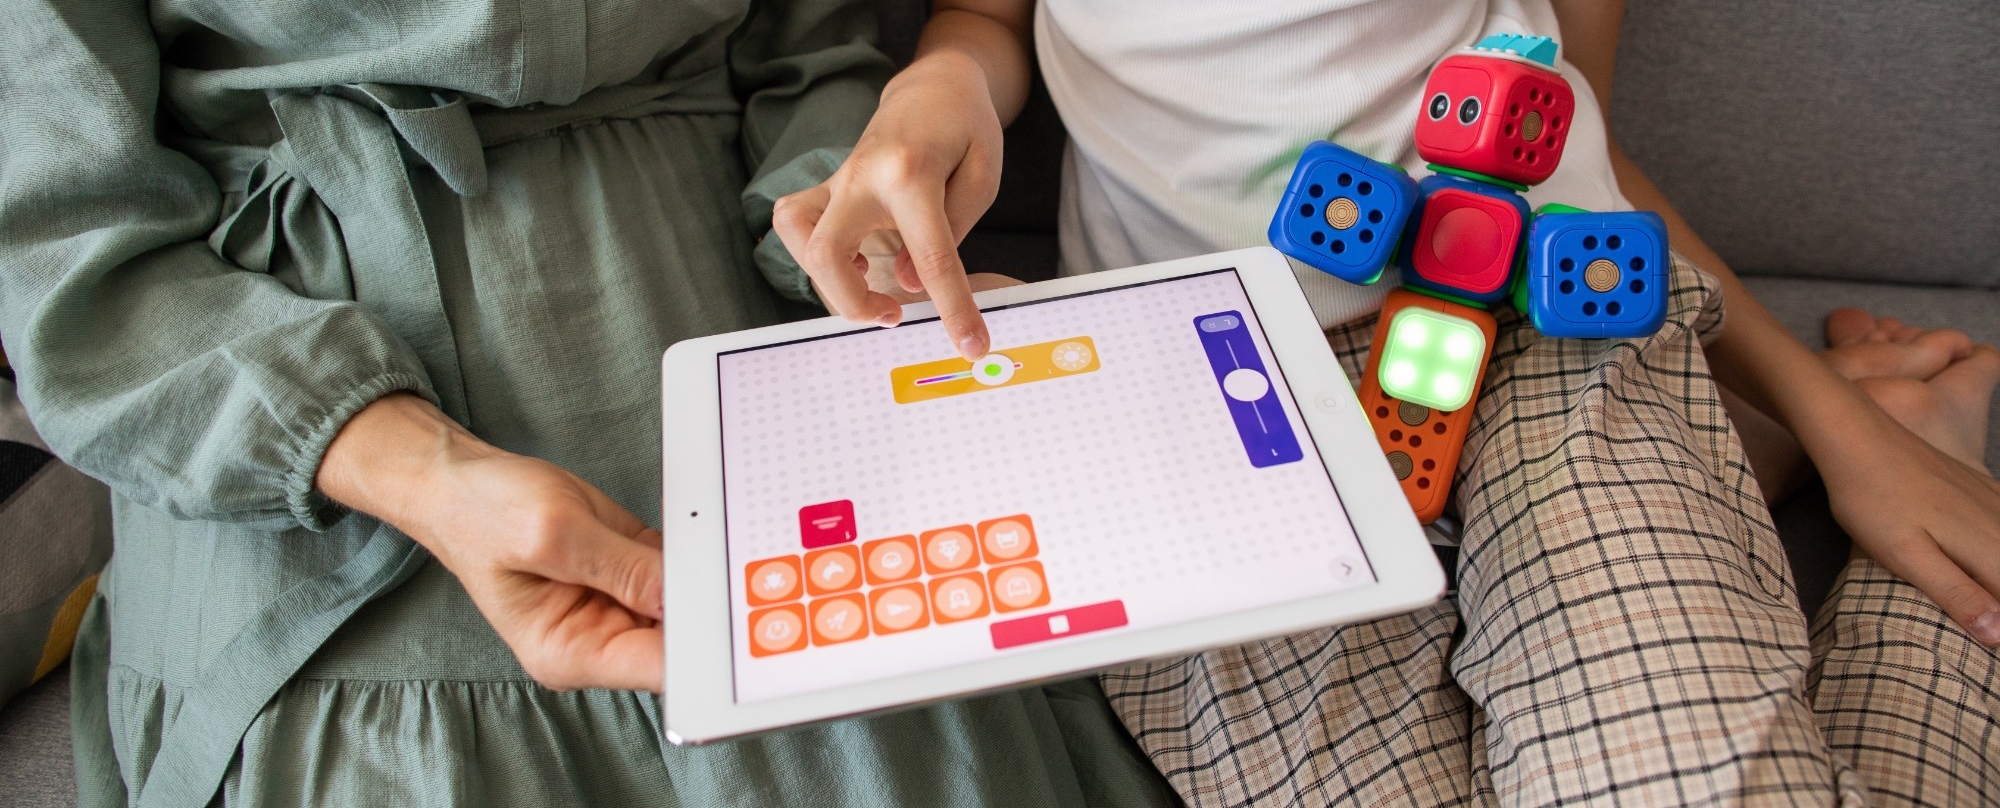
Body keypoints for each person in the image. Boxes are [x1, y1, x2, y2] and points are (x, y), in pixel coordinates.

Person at [776, 0, 2000, 803]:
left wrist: (1842, 434)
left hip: (1541, 334)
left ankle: (1807, 452)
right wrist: (938, 86)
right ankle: (1875, 546)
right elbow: (985, 16)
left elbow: (1577, 131)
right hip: (1211, 395)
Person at [0, 0, 1182, 805]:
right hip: (278, 424)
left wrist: (854, 250)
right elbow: (64, 248)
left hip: (732, 338)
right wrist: (415, 468)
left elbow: (803, 57)